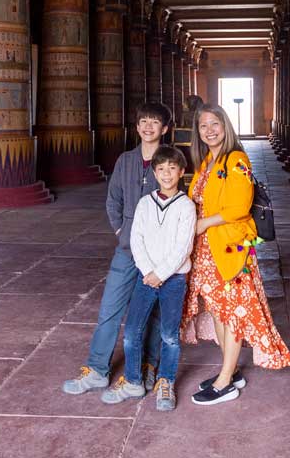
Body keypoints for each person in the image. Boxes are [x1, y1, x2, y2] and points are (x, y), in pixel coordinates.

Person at [182, 103, 290, 405]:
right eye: (203, 125)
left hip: (230, 247)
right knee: (219, 309)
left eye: (215, 124)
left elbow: (238, 207)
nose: (209, 130)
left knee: (231, 311)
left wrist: (203, 222)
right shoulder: (207, 161)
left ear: (226, 126)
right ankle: (229, 371)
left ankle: (225, 383)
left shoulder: (236, 159)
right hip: (207, 250)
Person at [62, 102, 174, 396]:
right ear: (137, 127)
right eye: (143, 121)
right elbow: (113, 201)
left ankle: (148, 367)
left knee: (152, 312)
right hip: (126, 250)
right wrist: (122, 231)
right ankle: (97, 369)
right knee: (109, 310)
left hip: (158, 253)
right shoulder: (125, 160)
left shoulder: (172, 160)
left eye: (154, 122)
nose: (148, 127)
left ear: (164, 129)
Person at [101, 145, 196, 411]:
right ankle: (132, 381)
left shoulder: (186, 206)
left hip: (173, 279)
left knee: (169, 335)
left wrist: (161, 273)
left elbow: (183, 246)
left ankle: (165, 381)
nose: (167, 174)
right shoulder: (145, 203)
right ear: (154, 173)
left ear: (181, 172)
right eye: (161, 169)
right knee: (132, 332)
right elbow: (136, 239)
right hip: (146, 277)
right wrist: (148, 272)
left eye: (172, 168)